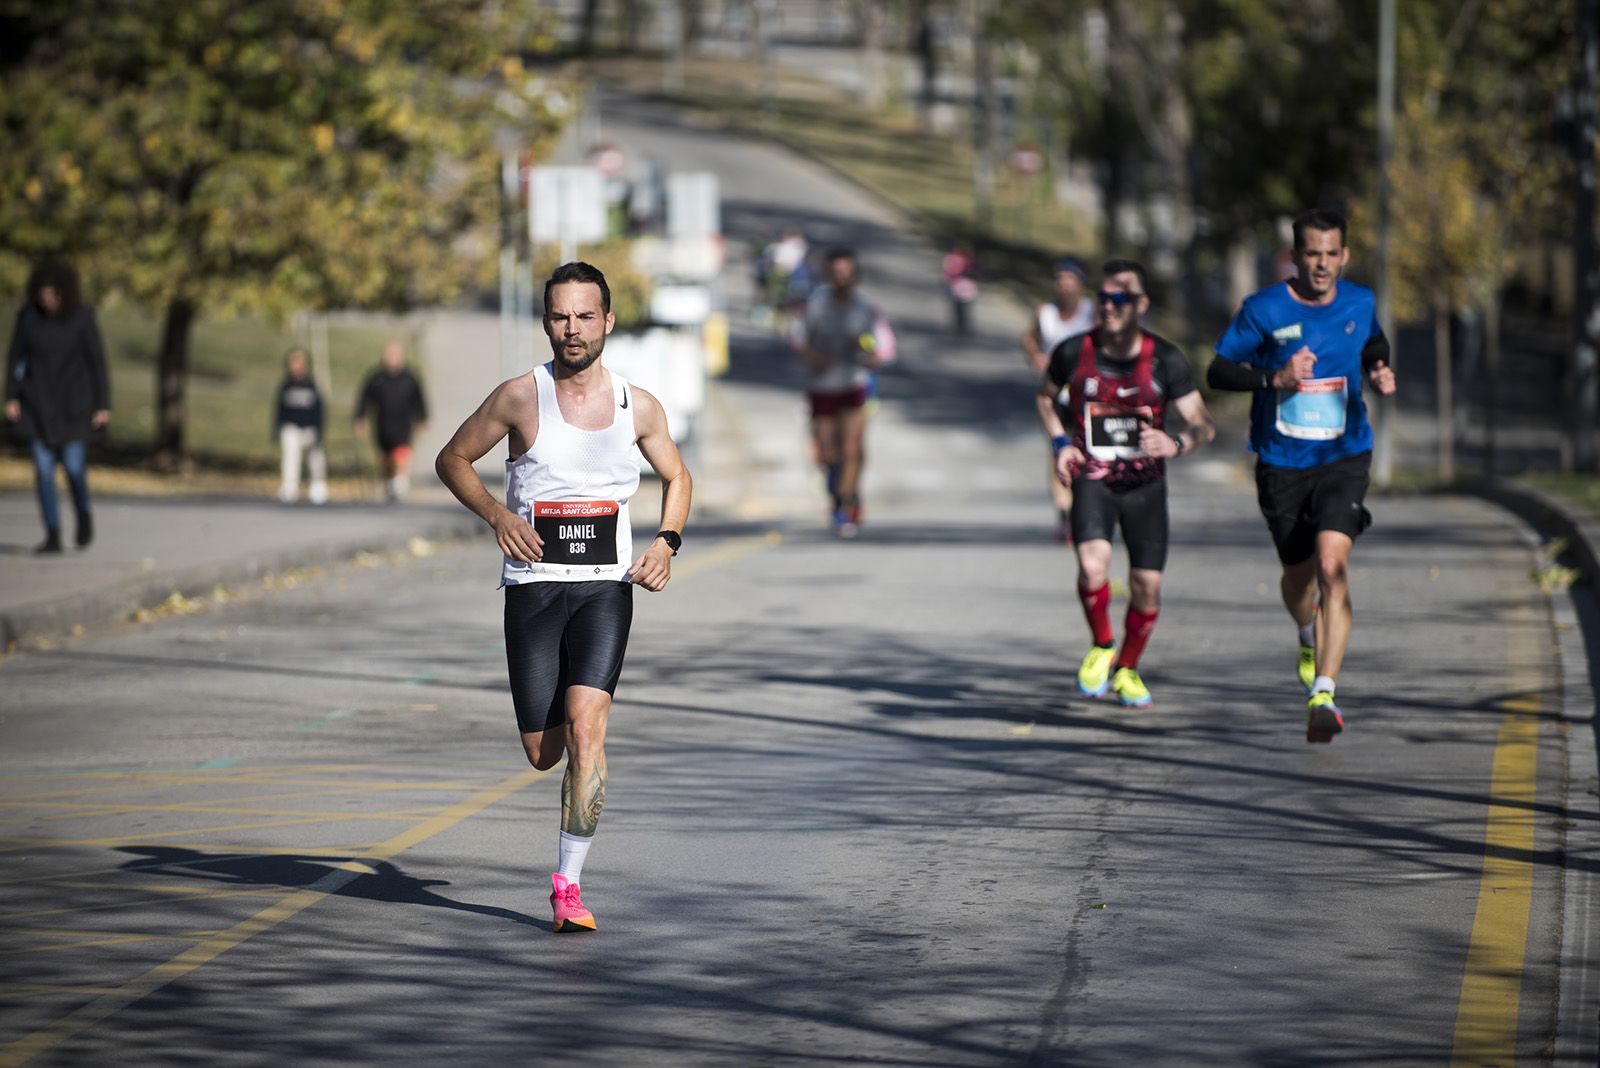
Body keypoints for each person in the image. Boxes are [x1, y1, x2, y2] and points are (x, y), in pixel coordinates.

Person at [435, 261, 691, 934]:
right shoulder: (521, 397)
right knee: (542, 752)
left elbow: (678, 475)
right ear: (545, 321)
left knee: (587, 733)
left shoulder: (640, 406)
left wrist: (665, 542)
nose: (572, 329)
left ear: (608, 320)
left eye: (585, 316)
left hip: (605, 590)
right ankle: (563, 796)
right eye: (560, 316)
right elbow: (451, 459)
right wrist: (498, 515)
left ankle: (568, 886)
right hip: (534, 592)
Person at [1206, 207, 1397, 743]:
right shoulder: (1263, 309)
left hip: (1344, 456)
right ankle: (1306, 632)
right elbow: (1218, 370)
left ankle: (1324, 693)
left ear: (1345, 256)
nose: (1322, 264)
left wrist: (1379, 370)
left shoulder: (1360, 301)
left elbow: (1374, 342)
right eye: (1312, 253)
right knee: (1300, 580)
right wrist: (1275, 377)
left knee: (1333, 566)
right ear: (1295, 256)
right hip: (1281, 463)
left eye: (1331, 253)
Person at [1036, 259, 1216, 709]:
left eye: (1121, 298)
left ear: (1141, 304)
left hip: (1146, 489)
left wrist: (1176, 442)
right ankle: (1102, 645)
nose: (1110, 306)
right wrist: (1061, 441)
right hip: (1094, 480)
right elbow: (1044, 396)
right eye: (1104, 298)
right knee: (1093, 565)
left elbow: (1203, 424)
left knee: (1146, 586)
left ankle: (1128, 668)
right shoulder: (1074, 353)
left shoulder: (1166, 359)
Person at [3, 261, 110, 553]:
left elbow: (97, 363)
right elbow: (16, 359)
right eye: (42, 295)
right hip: (37, 403)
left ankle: (83, 510)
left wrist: (102, 404)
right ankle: (52, 533)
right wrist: (11, 397)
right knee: (43, 471)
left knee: (74, 467)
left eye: (52, 295)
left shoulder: (82, 318)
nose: (46, 301)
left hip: (74, 405)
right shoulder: (28, 318)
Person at [791, 247, 896, 538]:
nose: (842, 279)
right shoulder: (816, 305)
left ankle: (845, 503)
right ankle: (840, 494)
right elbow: (798, 339)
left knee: (851, 448)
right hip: (822, 387)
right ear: (828, 275)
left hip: (854, 385)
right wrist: (815, 358)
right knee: (826, 454)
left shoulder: (865, 309)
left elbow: (882, 347)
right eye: (836, 273)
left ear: (855, 276)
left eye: (847, 273)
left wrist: (870, 354)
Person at [1023, 257, 1097, 544]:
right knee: (1058, 451)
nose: (1065, 283)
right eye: (1060, 278)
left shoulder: (1093, 312)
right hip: (1056, 394)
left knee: (1089, 453)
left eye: (1071, 278)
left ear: (1079, 282)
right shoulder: (1045, 312)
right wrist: (1036, 356)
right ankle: (1064, 516)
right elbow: (1029, 339)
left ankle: (1086, 508)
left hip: (1088, 395)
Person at [354, 340, 427, 500]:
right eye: (389, 354)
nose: (391, 357)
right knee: (386, 457)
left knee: (401, 453)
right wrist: (360, 417)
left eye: (395, 354)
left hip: (403, 423)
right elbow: (365, 398)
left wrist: (422, 418)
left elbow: (419, 399)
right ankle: (390, 482)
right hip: (382, 423)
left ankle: (399, 483)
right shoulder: (376, 377)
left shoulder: (409, 377)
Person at [272, 347, 328, 505]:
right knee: (291, 457)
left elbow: (320, 411)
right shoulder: (286, 386)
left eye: (299, 362)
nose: (296, 366)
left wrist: (319, 431)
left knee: (316, 457)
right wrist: (276, 430)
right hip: (291, 428)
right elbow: (279, 410)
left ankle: (318, 487)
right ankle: (290, 487)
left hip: (309, 428)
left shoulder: (312, 386)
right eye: (293, 362)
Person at [940, 242, 980, 334]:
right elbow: (978, 274)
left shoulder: (953, 258)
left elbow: (947, 270)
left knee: (958, 308)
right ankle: (962, 326)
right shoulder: (972, 260)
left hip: (957, 286)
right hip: (967, 287)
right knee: (965, 308)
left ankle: (960, 325)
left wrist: (946, 279)